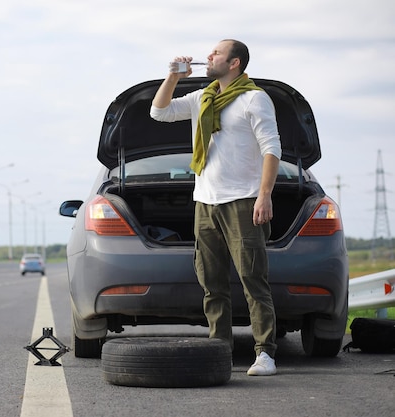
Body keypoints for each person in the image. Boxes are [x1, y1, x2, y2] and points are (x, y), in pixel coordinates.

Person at [150, 39, 281, 376]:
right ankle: (219, 349)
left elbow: (271, 150)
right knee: (212, 282)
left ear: (234, 63)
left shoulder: (254, 98)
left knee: (253, 279)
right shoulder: (202, 97)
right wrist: (173, 76)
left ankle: (265, 353)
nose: (208, 57)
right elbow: (159, 111)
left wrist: (264, 195)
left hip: (243, 200)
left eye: (216, 53)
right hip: (206, 201)